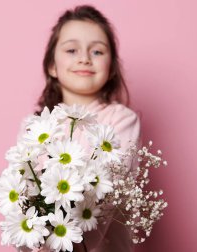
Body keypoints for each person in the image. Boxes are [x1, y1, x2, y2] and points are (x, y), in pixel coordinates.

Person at [18, 4, 141, 252]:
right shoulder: (33, 126)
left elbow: (104, 199)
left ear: (111, 68)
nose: (84, 58)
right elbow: (22, 199)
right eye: (72, 50)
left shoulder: (122, 120)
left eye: (97, 51)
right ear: (52, 66)